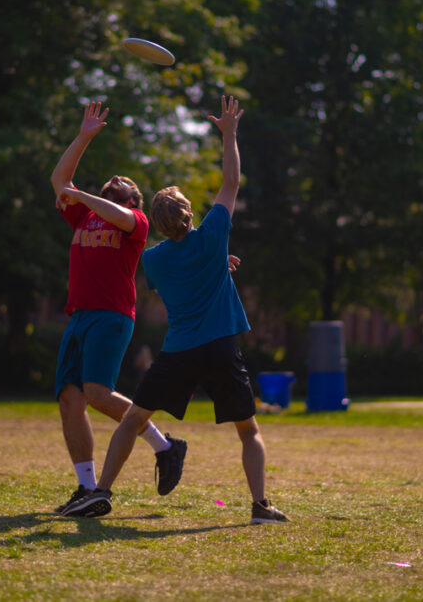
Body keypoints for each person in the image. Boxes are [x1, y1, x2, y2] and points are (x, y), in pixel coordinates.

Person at [65, 95, 289, 525]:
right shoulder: (213, 236)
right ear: (190, 215)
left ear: (158, 223)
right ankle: (261, 506)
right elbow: (231, 180)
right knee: (249, 431)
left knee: (132, 421)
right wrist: (229, 134)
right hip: (221, 348)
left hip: (180, 352)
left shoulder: (152, 260)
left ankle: (102, 492)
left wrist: (215, 265)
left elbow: (179, 271)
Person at [49, 101, 187, 515]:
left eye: (121, 183)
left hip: (111, 316)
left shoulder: (136, 222)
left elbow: (108, 209)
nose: (115, 181)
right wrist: (84, 136)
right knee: (70, 400)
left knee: (96, 393)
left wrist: (80, 194)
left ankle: (164, 445)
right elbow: (60, 179)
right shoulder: (84, 219)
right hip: (79, 316)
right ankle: (87, 487)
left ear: (133, 199)